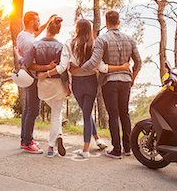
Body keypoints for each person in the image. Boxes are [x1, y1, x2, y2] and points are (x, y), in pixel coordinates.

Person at [38, 19, 130, 158]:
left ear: (77, 29)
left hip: (77, 84)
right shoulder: (94, 44)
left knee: (86, 113)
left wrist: (46, 74)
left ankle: (86, 149)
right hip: (91, 82)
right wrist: (122, 67)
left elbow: (63, 67)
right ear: (89, 29)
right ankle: (96, 139)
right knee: (86, 113)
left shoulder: (69, 43)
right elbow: (102, 67)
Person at [80, 10, 142, 159]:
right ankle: (128, 148)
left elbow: (94, 62)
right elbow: (138, 62)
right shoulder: (130, 39)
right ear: (118, 22)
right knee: (124, 114)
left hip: (109, 81)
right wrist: (132, 77)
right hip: (126, 81)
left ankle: (116, 150)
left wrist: (80, 69)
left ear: (106, 21)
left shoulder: (102, 40)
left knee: (113, 115)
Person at [24, 17, 69, 158]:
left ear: (47, 28)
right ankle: (51, 146)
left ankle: (58, 135)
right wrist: (68, 86)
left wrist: (42, 70)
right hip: (57, 84)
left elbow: (28, 65)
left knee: (56, 111)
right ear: (58, 30)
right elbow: (64, 69)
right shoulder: (61, 47)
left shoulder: (36, 45)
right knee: (56, 114)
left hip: (42, 84)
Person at [16, 11, 56, 154]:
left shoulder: (23, 35)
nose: (39, 23)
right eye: (38, 21)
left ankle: (24, 139)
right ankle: (28, 142)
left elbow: (36, 33)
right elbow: (30, 65)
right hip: (32, 77)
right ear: (32, 22)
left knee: (27, 110)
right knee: (33, 110)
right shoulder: (30, 42)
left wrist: (48, 21)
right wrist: (48, 67)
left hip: (26, 77)